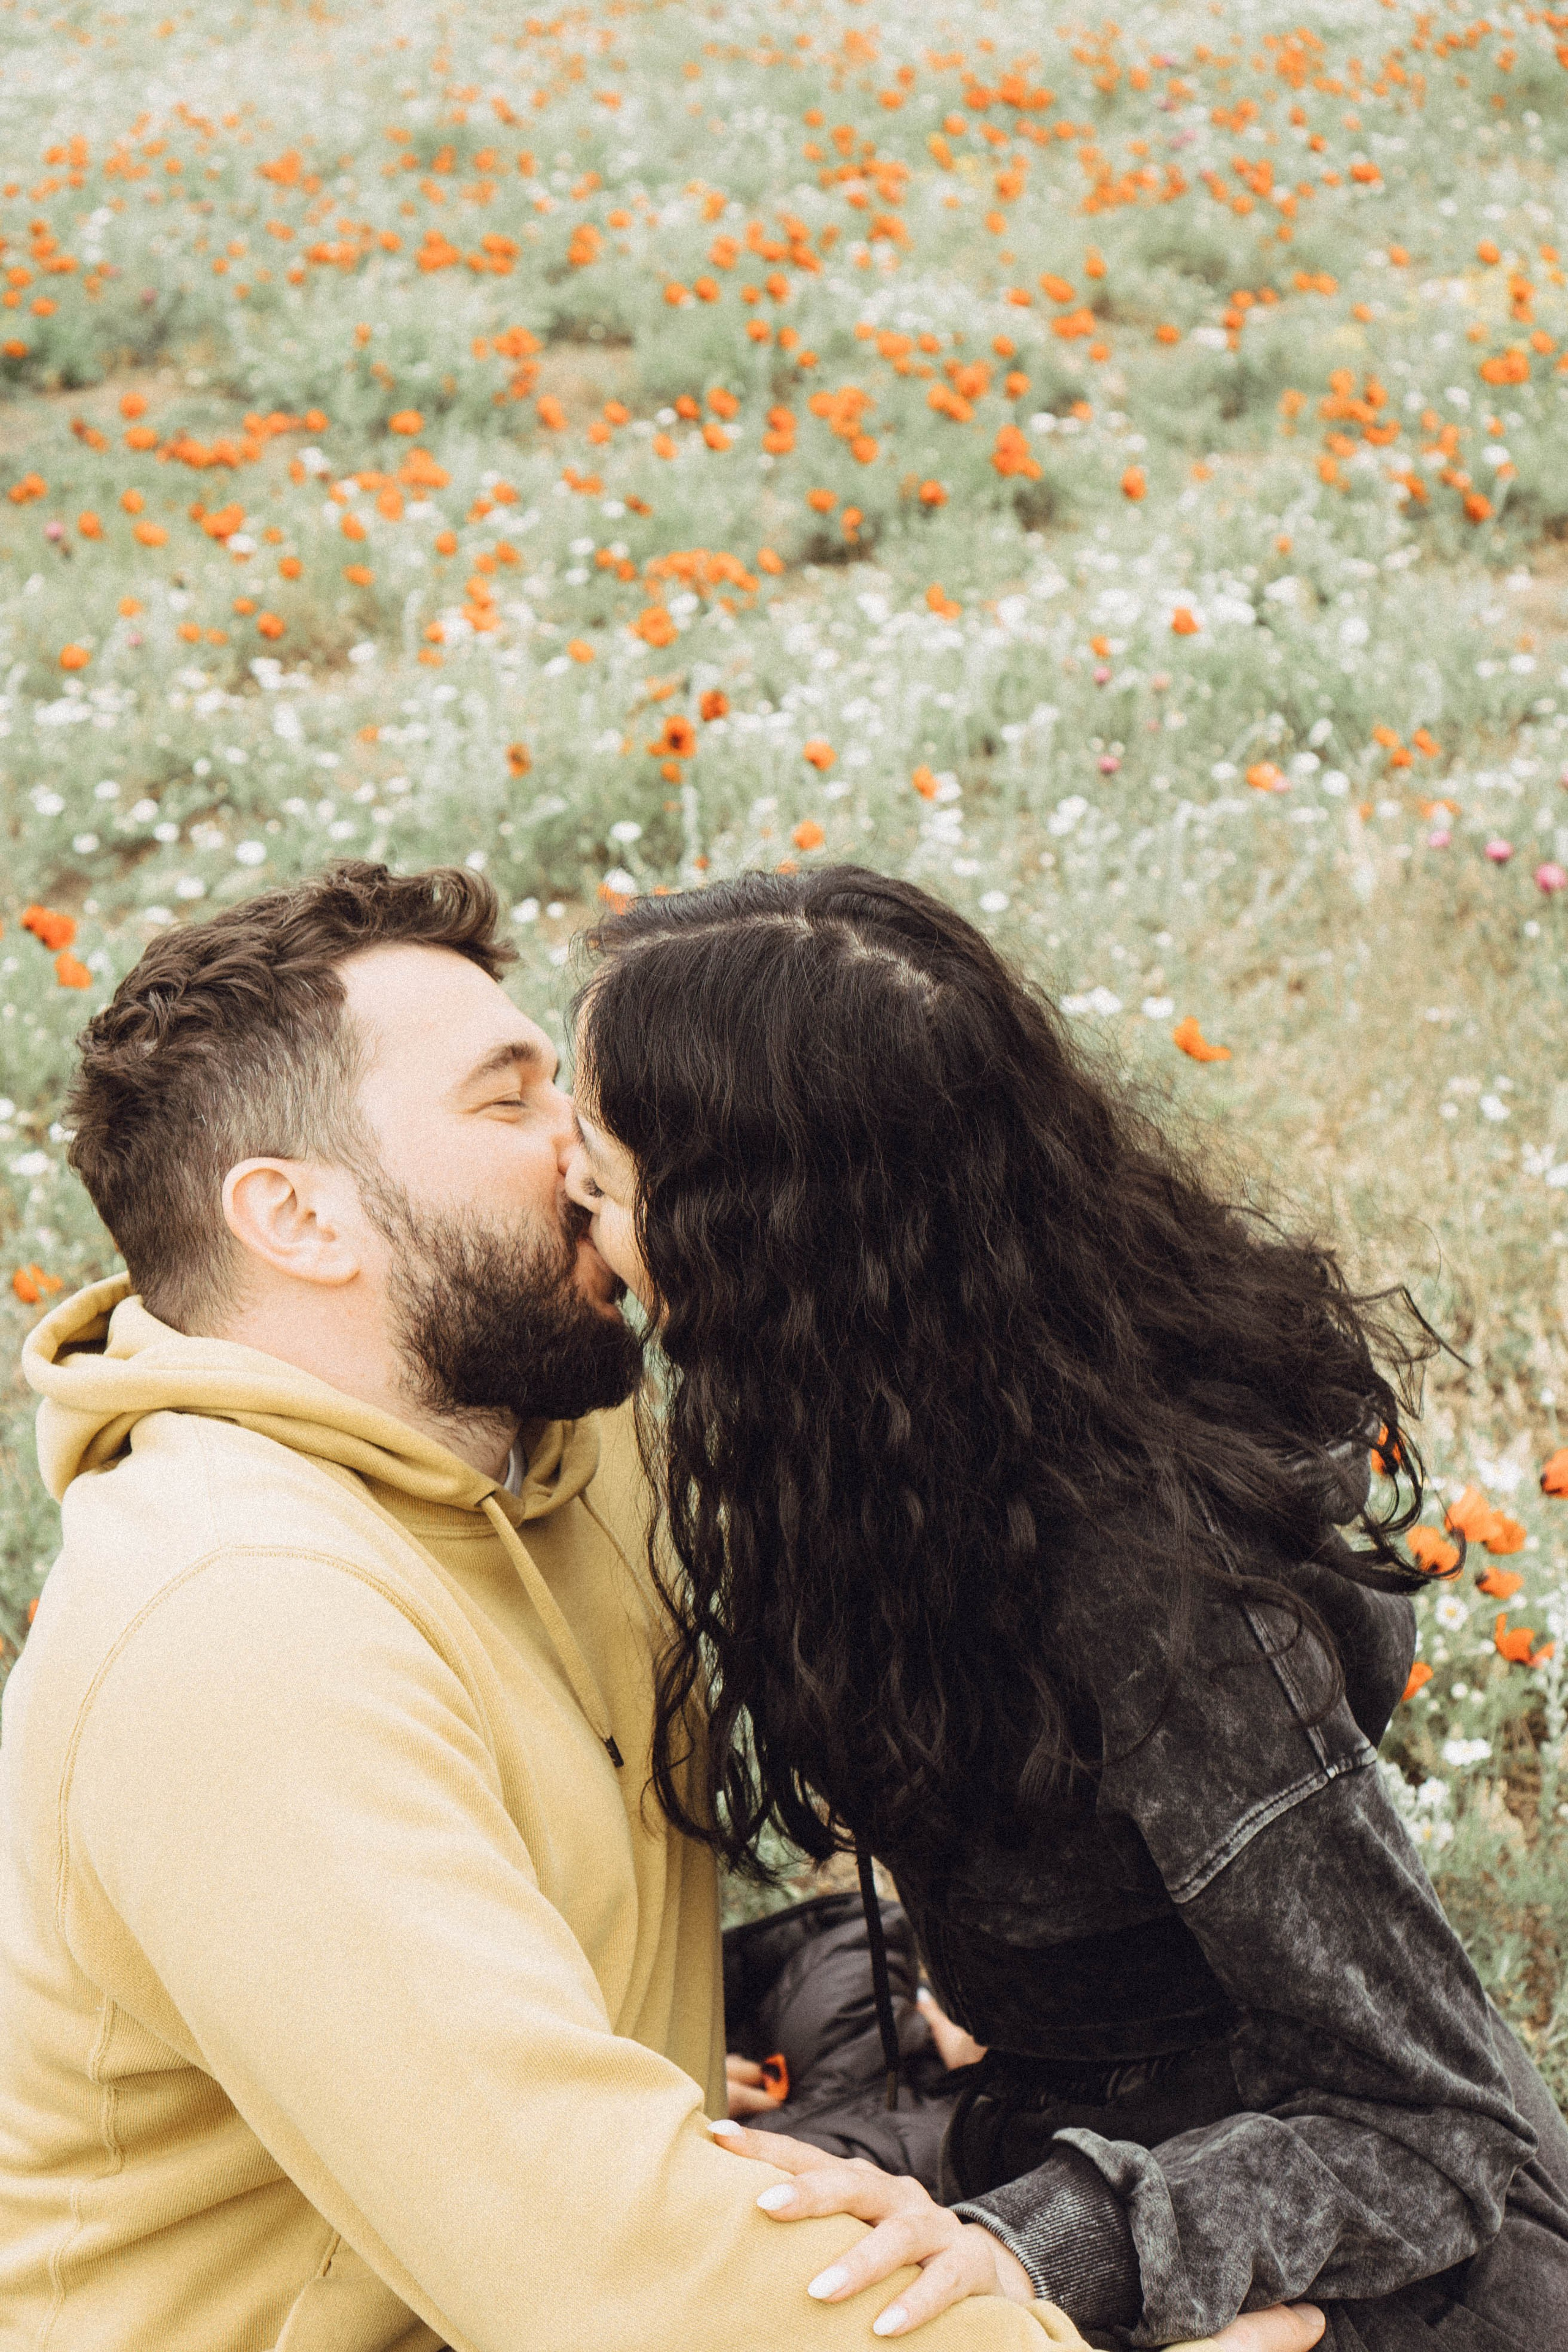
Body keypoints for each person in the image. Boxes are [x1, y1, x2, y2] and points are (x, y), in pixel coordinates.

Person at [0, 862, 1314, 2352]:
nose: (589, 1147)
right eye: (510, 1104)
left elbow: (916, 1406)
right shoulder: (233, 1633)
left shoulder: (547, 1424)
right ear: (298, 1218)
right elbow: (588, 2259)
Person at [563, 864, 1568, 2352]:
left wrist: (1057, 2245)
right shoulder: (847, 1437)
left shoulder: (1153, 1588)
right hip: (1037, 2098)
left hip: (1320, 2229)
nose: (563, 1186)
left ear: (756, 1234)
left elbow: (1426, 2124)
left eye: (596, 1161)